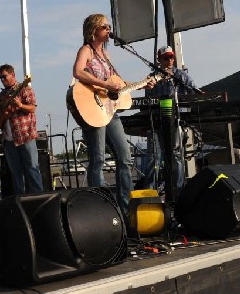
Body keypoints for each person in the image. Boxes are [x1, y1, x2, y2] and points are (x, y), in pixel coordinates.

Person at [71, 13, 137, 220]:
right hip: (94, 109)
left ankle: (125, 209)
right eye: (105, 27)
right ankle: (99, 209)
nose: (109, 30)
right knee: (97, 159)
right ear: (93, 30)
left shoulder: (106, 56)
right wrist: (105, 85)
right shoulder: (86, 50)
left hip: (110, 110)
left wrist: (142, 83)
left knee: (124, 157)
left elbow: (116, 83)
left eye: (108, 27)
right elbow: (78, 72)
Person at [142, 45, 199, 192]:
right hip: (157, 122)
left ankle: (178, 191)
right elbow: (146, 101)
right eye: (166, 58)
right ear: (159, 60)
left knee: (176, 155)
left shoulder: (181, 75)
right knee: (153, 156)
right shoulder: (152, 78)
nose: (169, 60)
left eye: (171, 57)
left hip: (176, 121)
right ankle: (150, 192)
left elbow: (196, 92)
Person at [0, 64, 43, 195]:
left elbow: (33, 108)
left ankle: (38, 200)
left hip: (25, 136)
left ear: (12, 74)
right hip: (9, 140)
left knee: (32, 169)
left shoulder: (24, 88)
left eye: (4, 76)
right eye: (0, 78)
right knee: (16, 173)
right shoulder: (1, 95)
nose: (2, 80)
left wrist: (20, 105)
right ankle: (20, 201)